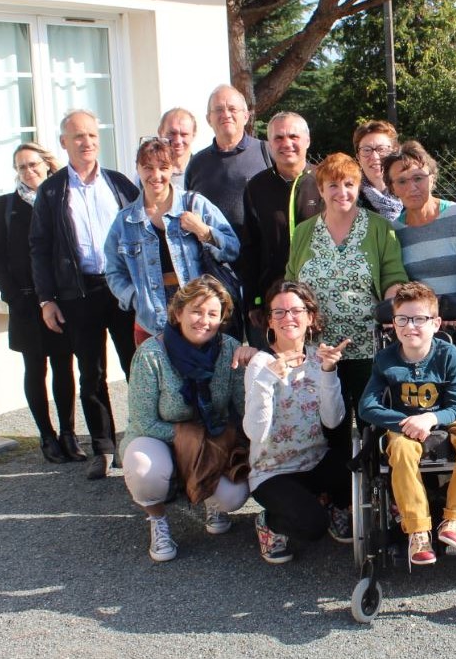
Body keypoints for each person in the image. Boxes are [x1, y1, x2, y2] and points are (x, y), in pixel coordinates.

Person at [30, 109, 140, 480]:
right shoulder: (51, 191)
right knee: (91, 375)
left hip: (122, 288)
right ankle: (104, 448)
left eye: (92, 135)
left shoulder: (119, 184)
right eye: (78, 136)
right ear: (64, 143)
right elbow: (39, 247)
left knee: (137, 367)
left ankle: (141, 439)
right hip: (78, 293)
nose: (86, 142)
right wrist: (47, 299)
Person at [120, 276, 256, 563]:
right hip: (159, 438)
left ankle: (211, 501)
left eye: (213, 314)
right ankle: (158, 520)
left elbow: (245, 409)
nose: (204, 321)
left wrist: (256, 366)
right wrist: (190, 438)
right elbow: (144, 422)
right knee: (146, 470)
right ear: (179, 312)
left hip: (211, 438)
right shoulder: (151, 354)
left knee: (233, 496)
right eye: (196, 311)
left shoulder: (229, 349)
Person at [285, 152, 408, 456]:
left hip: (369, 344)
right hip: (319, 348)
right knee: (328, 429)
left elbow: (394, 276)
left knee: (373, 425)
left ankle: (375, 481)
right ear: (321, 189)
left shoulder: (379, 227)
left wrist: (390, 309)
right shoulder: (303, 232)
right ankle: (334, 484)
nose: (342, 192)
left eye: (349, 184)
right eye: (333, 185)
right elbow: (291, 282)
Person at [358, 282, 456, 566]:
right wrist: (404, 421)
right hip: (405, 426)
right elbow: (367, 407)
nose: (410, 326)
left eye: (419, 319)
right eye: (402, 319)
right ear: (393, 323)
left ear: (436, 323)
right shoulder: (385, 359)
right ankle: (418, 531)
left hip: (446, 419)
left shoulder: (448, 354)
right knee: (401, 449)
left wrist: (430, 418)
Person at [244, 280, 352, 564]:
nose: (287, 318)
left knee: (353, 462)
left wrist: (328, 371)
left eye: (296, 310)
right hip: (273, 471)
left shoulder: (320, 357)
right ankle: (269, 523)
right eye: (278, 312)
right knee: (312, 526)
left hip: (314, 461)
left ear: (310, 317)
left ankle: (330, 506)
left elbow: (333, 421)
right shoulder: (260, 364)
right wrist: (267, 380)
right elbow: (255, 433)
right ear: (269, 320)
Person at [0, 142, 77, 463]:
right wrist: (11, 294)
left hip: (61, 299)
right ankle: (47, 437)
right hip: (25, 303)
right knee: (35, 368)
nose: (28, 171)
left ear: (46, 164)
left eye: (33, 164)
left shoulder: (61, 198)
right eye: (21, 167)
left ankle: (68, 434)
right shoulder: (5, 206)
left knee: (64, 366)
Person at [104, 136, 239, 345]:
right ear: (137, 169)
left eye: (163, 167)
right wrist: (136, 298)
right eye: (148, 168)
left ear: (173, 169)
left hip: (200, 315)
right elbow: (114, 271)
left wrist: (204, 231)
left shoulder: (195, 205)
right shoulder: (125, 221)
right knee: (156, 368)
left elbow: (232, 248)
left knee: (202, 366)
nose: (156, 175)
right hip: (150, 319)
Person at [384, 140, 456, 363]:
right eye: (402, 181)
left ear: (431, 178)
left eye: (418, 178)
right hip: (415, 334)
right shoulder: (394, 231)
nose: (412, 187)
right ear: (392, 188)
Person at [185, 84, 272, 332]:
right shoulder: (197, 164)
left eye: (233, 109)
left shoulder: (266, 153)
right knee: (225, 345)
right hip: (216, 274)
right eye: (219, 110)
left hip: (260, 270)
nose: (226, 114)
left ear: (246, 115)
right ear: (208, 119)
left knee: (264, 345)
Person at [240, 112, 323, 345]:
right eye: (278, 138)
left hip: (320, 299)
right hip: (273, 303)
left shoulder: (325, 182)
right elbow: (250, 248)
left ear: (307, 140)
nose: (286, 143)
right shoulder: (257, 187)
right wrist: (254, 301)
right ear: (269, 144)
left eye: (293, 136)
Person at [352, 119, 402, 221]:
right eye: (366, 150)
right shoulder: (350, 199)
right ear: (358, 157)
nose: (375, 157)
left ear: (394, 152)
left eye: (382, 149)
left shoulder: (410, 191)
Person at [157, 107, 197, 190]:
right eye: (172, 133)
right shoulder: (149, 175)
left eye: (184, 134)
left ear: (193, 135)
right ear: (160, 132)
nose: (178, 141)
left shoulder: (203, 171)